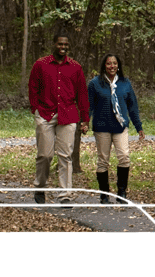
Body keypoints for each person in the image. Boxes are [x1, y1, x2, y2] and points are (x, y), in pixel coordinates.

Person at [28, 34, 90, 204]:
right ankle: (40, 187)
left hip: (68, 115)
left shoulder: (75, 67)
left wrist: (85, 119)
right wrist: (35, 109)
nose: (63, 47)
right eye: (60, 44)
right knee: (45, 155)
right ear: (53, 44)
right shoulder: (41, 64)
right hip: (45, 114)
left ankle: (65, 195)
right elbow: (33, 87)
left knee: (65, 156)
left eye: (66, 44)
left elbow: (82, 94)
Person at [86, 54, 145, 204]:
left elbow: (132, 107)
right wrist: (84, 122)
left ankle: (121, 192)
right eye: (108, 64)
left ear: (118, 66)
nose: (112, 66)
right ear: (104, 66)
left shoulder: (125, 83)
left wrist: (138, 126)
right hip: (102, 127)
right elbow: (89, 106)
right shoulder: (95, 83)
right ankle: (104, 194)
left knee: (124, 157)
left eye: (114, 63)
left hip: (120, 126)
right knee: (103, 161)